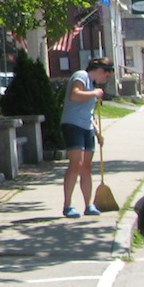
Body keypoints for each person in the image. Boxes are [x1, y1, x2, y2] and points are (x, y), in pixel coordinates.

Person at [61, 57, 113, 217]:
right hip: (73, 124)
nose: (106, 79)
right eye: (107, 75)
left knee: (87, 167)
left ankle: (88, 204)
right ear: (100, 70)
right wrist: (94, 93)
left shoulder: (92, 85)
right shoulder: (81, 76)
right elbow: (75, 95)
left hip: (87, 127)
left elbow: (89, 114)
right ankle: (68, 204)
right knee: (76, 163)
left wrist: (97, 131)